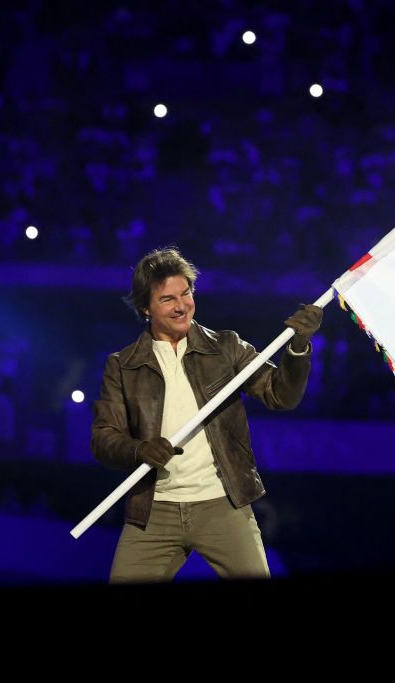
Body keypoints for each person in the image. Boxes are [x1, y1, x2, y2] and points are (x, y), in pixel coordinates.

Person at [90, 246, 322, 582]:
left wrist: (299, 347)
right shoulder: (122, 365)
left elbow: (281, 395)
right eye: (168, 299)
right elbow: (103, 439)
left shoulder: (226, 348)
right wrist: (139, 450)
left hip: (222, 504)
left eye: (186, 293)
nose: (182, 305)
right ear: (145, 307)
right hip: (154, 510)